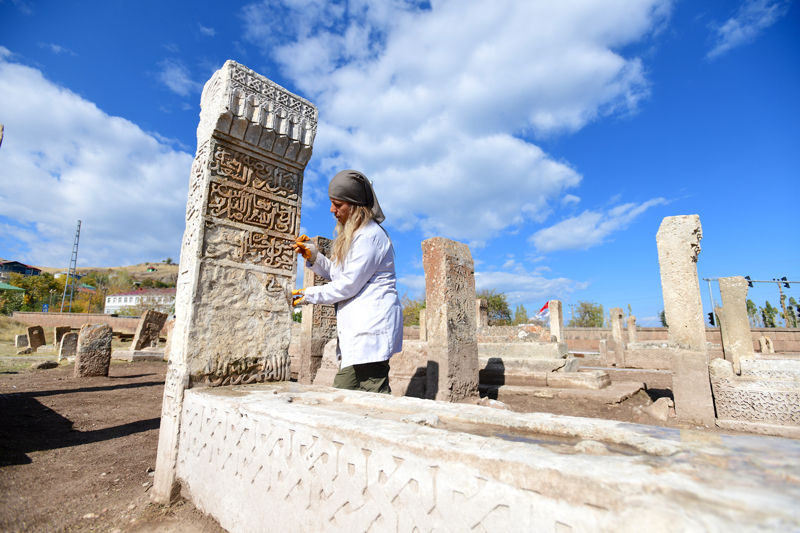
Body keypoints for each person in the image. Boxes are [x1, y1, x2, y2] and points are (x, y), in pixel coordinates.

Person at [291, 169, 403, 394]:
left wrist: (305, 295)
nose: (332, 210)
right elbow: (340, 274)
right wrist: (314, 255)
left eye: (337, 204)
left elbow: (347, 285)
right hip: (359, 335)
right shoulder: (357, 235)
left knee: (374, 398)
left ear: (353, 205)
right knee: (343, 395)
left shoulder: (370, 237)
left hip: (371, 331)